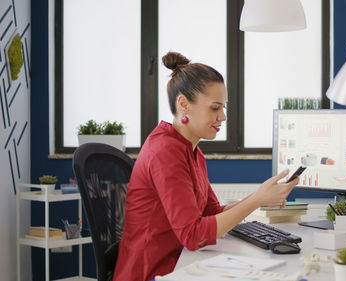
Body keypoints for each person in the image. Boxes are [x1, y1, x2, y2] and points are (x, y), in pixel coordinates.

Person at [113, 51, 298, 281]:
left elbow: (212, 214)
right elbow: (194, 236)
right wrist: (257, 199)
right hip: (151, 272)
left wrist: (262, 197)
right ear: (183, 104)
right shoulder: (165, 152)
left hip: (178, 263)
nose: (223, 117)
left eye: (224, 108)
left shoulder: (191, 150)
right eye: (214, 108)